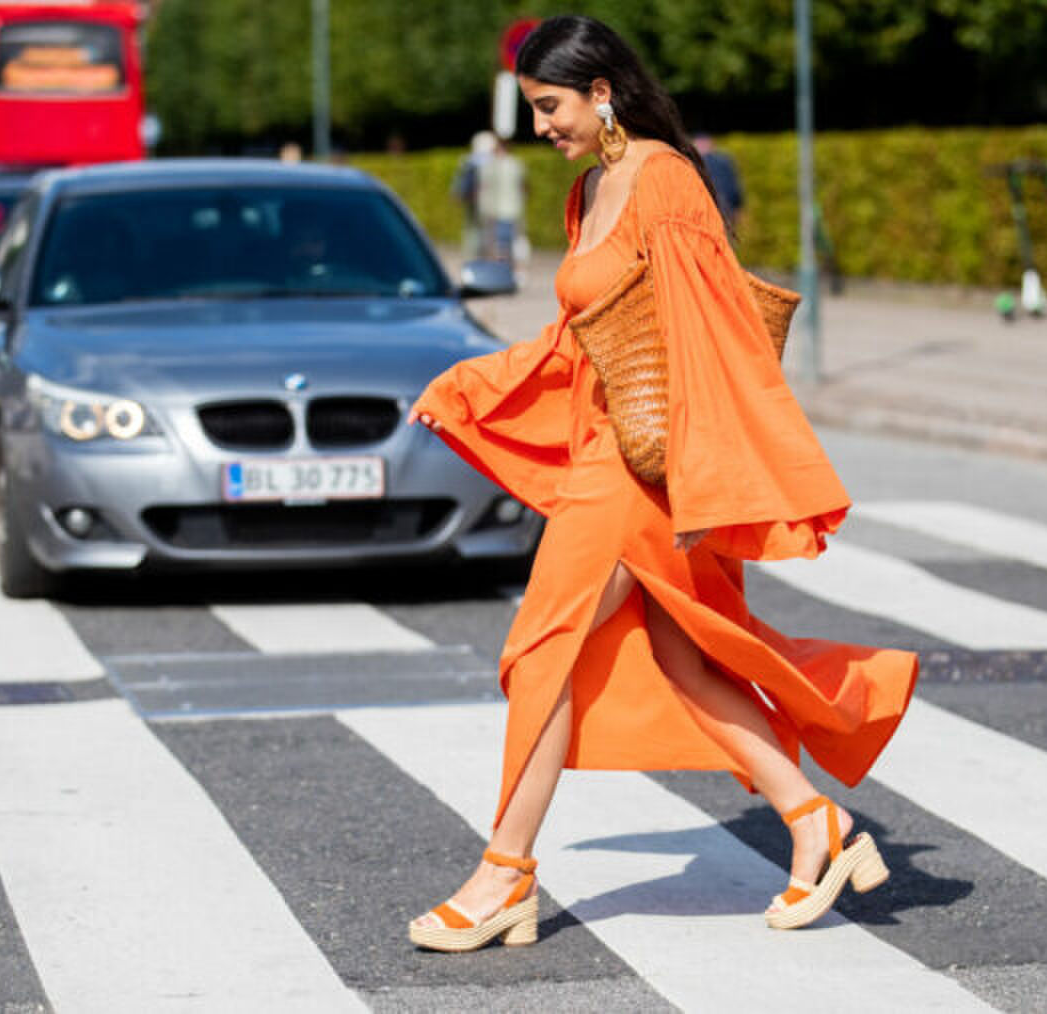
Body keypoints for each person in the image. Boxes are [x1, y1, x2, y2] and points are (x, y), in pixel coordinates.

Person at [405, 14, 918, 952]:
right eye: (532, 109)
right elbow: (582, 343)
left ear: (601, 92)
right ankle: (820, 825)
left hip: (643, 476)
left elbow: (708, 338)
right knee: (686, 664)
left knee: (542, 652)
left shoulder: (665, 181)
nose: (541, 127)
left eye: (550, 106)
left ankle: (504, 875)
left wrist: (704, 483)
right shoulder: (590, 190)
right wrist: (476, 386)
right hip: (604, 457)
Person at [476, 136, 527, 268]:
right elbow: (523, 187)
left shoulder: (490, 166)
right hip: (512, 208)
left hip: (495, 210)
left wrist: (483, 207)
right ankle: (508, 265)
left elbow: (484, 187)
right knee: (509, 241)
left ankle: (501, 266)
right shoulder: (517, 164)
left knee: (497, 241)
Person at [452, 131, 496, 260]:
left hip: (469, 199)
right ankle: (481, 254)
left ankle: (471, 255)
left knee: (470, 228)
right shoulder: (491, 161)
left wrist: (457, 194)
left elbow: (459, 181)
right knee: (485, 228)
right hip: (484, 200)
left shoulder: (467, 160)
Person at [693, 132, 744, 231]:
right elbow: (734, 188)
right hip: (724, 209)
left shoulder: (690, 161)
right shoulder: (724, 160)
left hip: (700, 213)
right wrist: (737, 208)